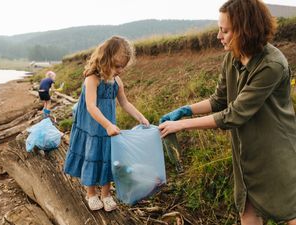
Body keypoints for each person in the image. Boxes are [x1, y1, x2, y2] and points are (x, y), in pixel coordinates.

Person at [159, 0, 296, 224]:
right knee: (247, 209)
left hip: (275, 154)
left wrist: (182, 125)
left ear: (245, 30)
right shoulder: (231, 57)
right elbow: (219, 100)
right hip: (245, 152)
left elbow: (234, 114)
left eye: (225, 30)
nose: (218, 36)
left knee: (290, 212)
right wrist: (184, 111)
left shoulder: (272, 65)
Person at [64, 36, 149, 212]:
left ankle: (106, 193)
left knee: (108, 158)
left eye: (123, 67)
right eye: (117, 66)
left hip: (109, 129)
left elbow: (125, 103)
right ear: (105, 59)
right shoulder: (92, 79)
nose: (120, 70)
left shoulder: (117, 82)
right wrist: (107, 125)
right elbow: (91, 107)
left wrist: (140, 117)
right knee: (92, 155)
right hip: (92, 127)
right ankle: (91, 193)